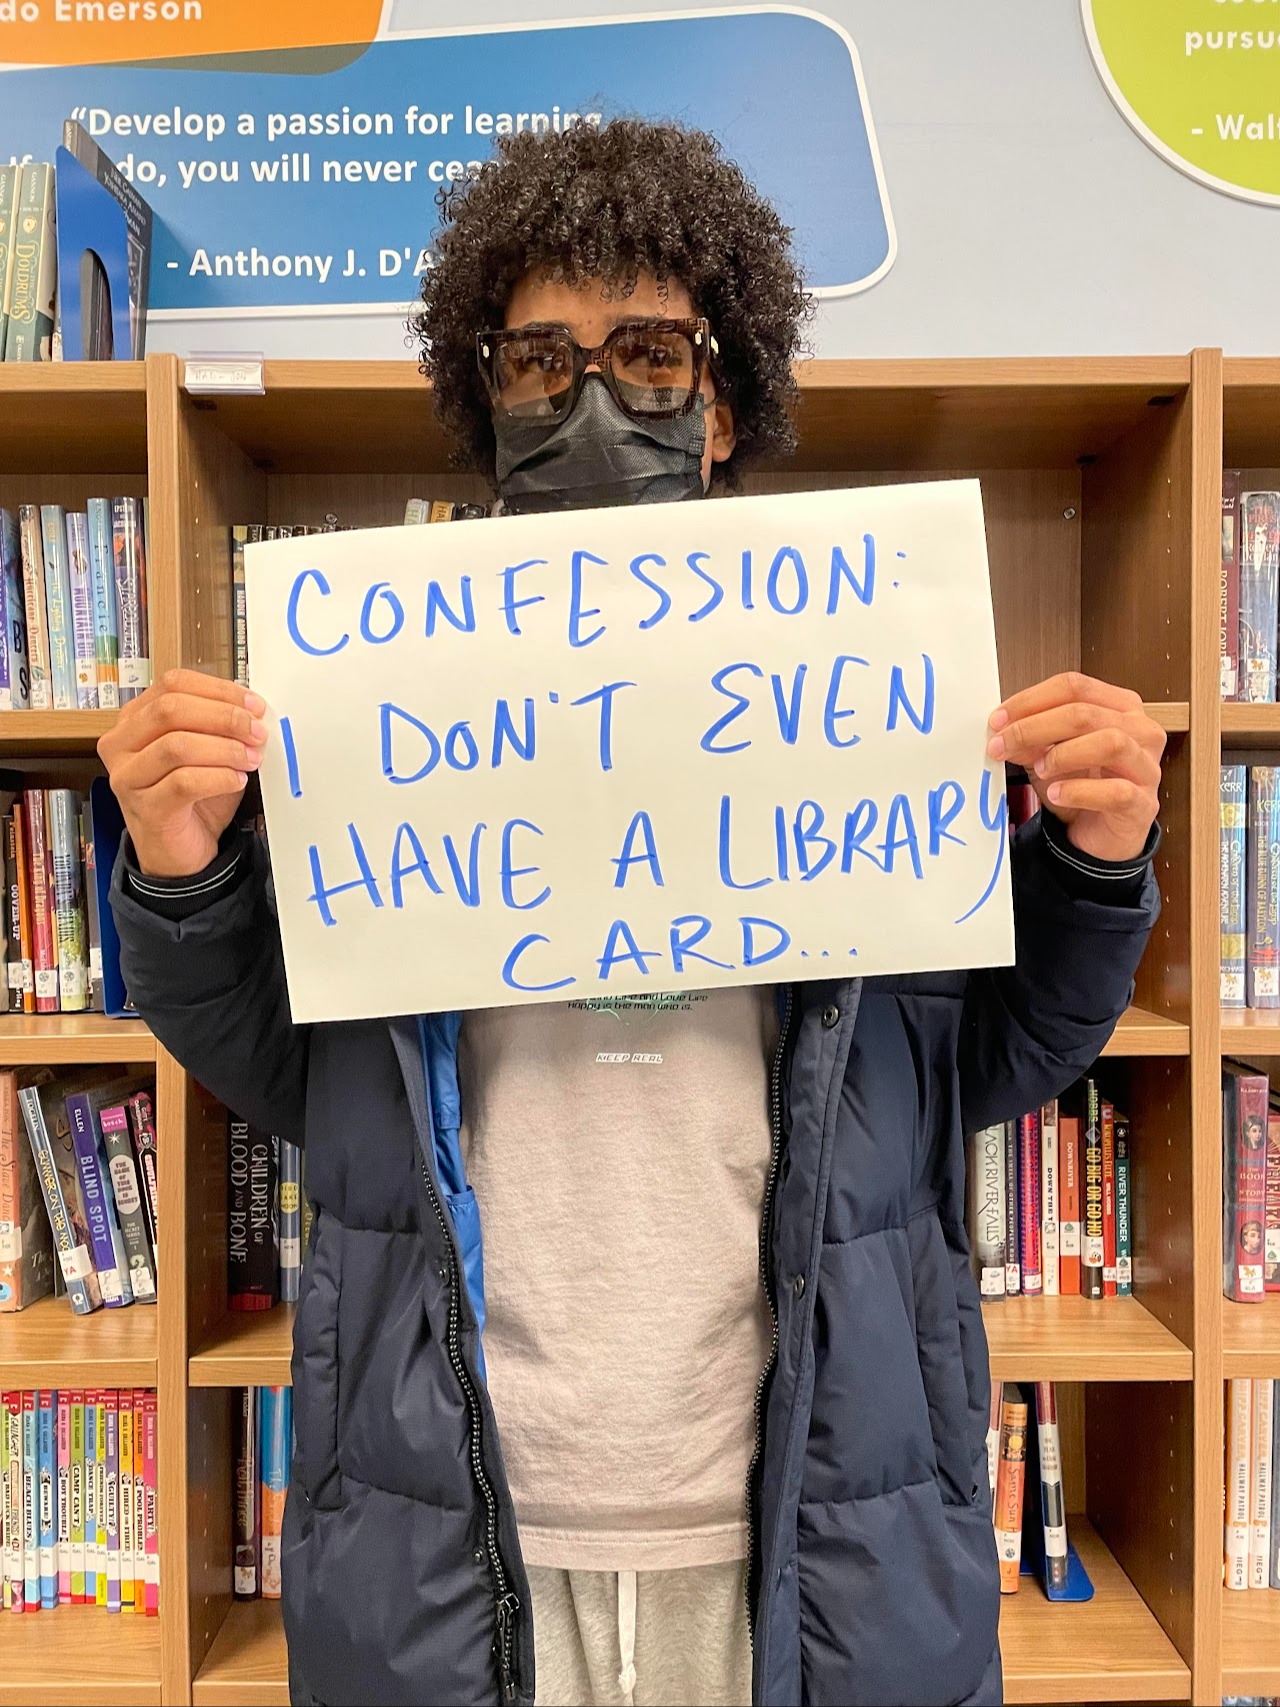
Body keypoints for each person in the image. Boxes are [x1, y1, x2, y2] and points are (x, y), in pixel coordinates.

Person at [100, 120, 1164, 1707]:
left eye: (649, 352)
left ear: (725, 397)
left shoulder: (862, 684)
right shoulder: (375, 700)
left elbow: (990, 1061)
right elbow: (279, 1067)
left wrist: (1092, 870)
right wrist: (184, 876)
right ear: (486, 395)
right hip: (458, 1518)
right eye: (539, 359)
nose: (592, 399)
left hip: (809, 1519)